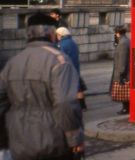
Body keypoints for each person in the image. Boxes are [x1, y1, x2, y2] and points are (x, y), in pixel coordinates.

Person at [0, 13, 84, 159]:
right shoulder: (60, 61)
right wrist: (75, 138)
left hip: (19, 143)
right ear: (51, 33)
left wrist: (4, 140)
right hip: (52, 142)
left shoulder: (12, 62)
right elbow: (66, 104)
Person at [56, 26, 88, 111]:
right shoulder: (72, 42)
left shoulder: (62, 44)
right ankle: (83, 105)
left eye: (57, 35)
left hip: (67, 69)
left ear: (60, 35)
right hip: (75, 67)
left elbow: (61, 58)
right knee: (78, 87)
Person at [111, 26, 130, 115]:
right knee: (125, 91)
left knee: (123, 91)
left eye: (115, 33)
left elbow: (123, 59)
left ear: (118, 33)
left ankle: (125, 108)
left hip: (123, 72)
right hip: (124, 71)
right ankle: (126, 107)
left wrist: (121, 74)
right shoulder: (125, 41)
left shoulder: (123, 43)